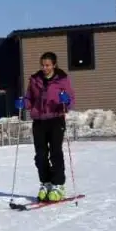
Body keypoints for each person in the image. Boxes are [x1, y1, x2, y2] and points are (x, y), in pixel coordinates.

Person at [15, 51, 75, 202]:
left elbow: (71, 99)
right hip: (39, 121)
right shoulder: (35, 80)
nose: (44, 68)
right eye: (42, 65)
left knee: (55, 153)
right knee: (40, 155)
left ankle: (58, 184)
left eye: (47, 65)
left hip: (56, 119)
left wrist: (65, 101)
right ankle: (46, 182)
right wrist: (24, 103)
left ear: (54, 65)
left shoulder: (62, 79)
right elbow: (30, 98)